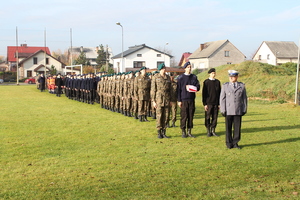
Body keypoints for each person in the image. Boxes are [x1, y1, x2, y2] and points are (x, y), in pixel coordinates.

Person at [220, 70, 247, 149]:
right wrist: (223, 109)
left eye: (233, 76)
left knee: (237, 128)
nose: (231, 78)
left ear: (237, 77)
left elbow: (244, 98)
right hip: (228, 110)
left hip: (238, 109)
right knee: (228, 127)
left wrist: (244, 108)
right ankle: (229, 143)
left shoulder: (241, 86)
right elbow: (222, 99)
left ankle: (235, 143)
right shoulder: (225, 86)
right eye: (230, 77)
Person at [177, 61, 200, 138]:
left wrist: (193, 88)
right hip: (184, 100)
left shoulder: (194, 77)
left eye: (190, 67)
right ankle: (183, 131)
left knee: (190, 116)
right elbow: (178, 90)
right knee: (184, 116)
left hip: (191, 99)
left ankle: (189, 131)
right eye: (188, 67)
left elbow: (198, 87)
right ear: (185, 68)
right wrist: (179, 100)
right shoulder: (180, 78)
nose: (189, 68)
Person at [151, 63, 171, 139]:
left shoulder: (168, 77)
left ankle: (164, 132)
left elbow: (170, 89)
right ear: (160, 69)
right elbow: (153, 89)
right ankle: (159, 132)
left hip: (167, 98)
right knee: (159, 116)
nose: (164, 70)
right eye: (163, 69)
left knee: (166, 116)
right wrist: (153, 101)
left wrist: (171, 100)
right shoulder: (156, 77)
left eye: (165, 68)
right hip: (159, 99)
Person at [202, 68, 221, 137]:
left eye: (214, 73)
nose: (214, 74)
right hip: (208, 103)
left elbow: (219, 93)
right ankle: (208, 130)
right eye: (212, 73)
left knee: (215, 117)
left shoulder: (217, 82)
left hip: (216, 103)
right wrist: (205, 104)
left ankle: (213, 130)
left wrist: (219, 103)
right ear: (209, 74)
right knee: (207, 117)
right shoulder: (206, 82)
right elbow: (204, 93)